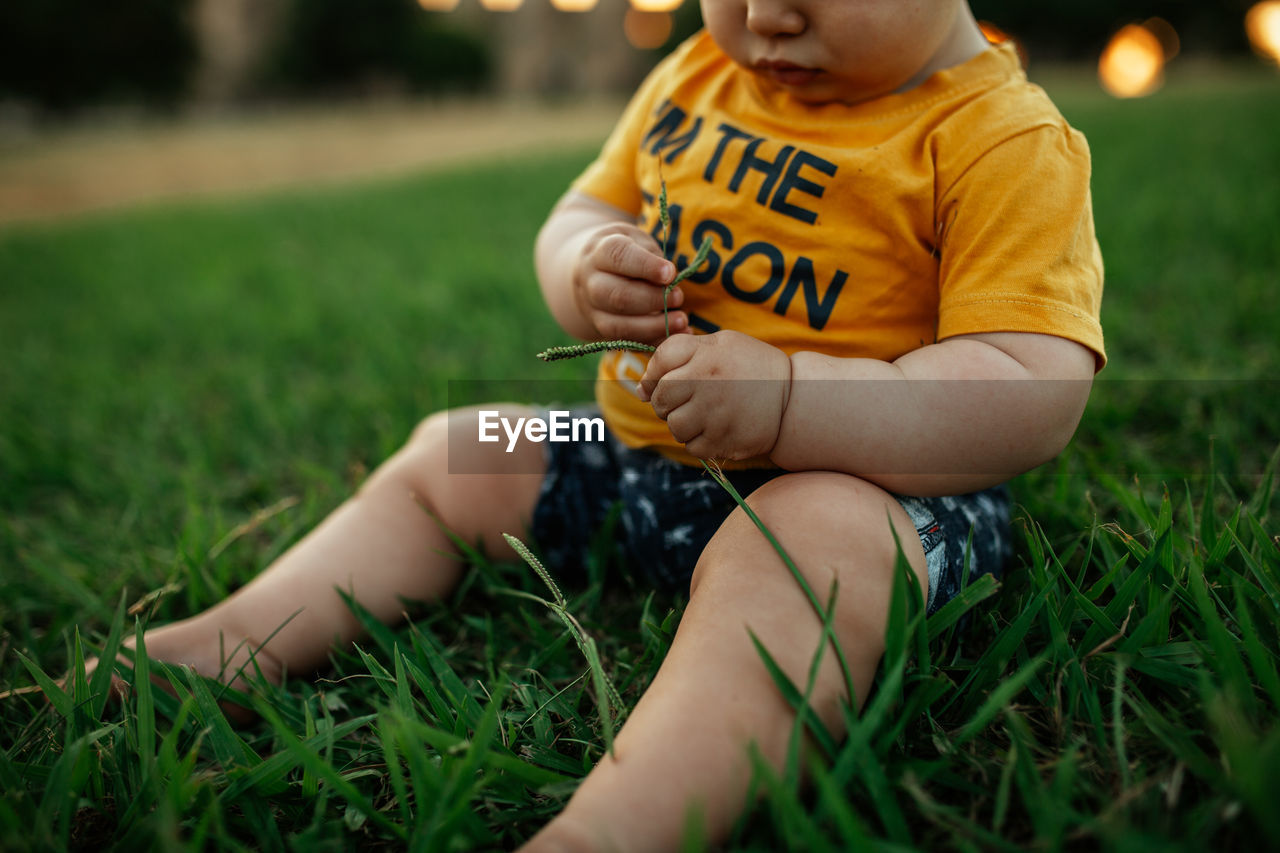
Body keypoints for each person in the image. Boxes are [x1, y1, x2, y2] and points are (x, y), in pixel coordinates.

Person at [85, 1, 1105, 850]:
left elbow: (1026, 387)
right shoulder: (698, 72)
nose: (762, 16)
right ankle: (226, 644)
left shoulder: (998, 139)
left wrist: (795, 401)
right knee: (458, 447)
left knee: (804, 545)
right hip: (632, 457)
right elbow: (578, 214)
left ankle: (615, 824)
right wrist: (587, 264)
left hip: (863, 493)